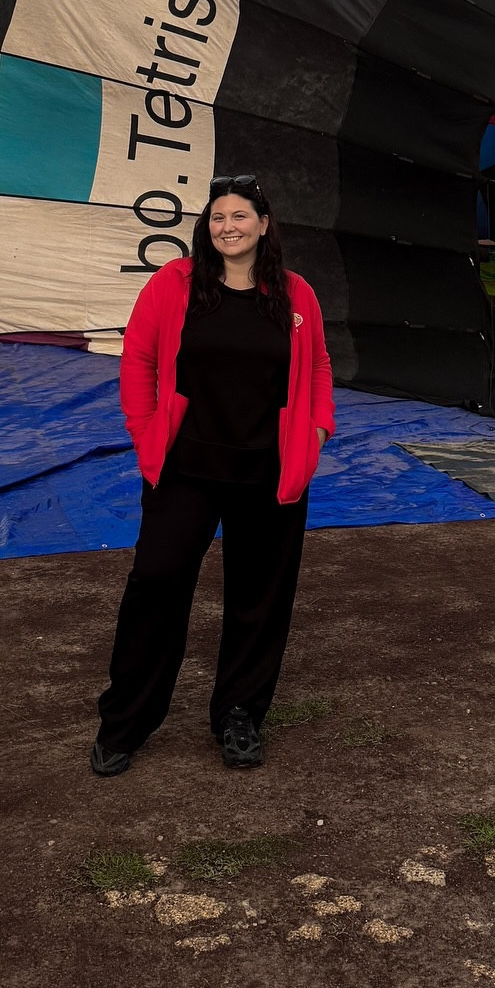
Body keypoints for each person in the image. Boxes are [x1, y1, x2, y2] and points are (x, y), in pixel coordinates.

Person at [91, 174, 334, 775]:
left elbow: (319, 366)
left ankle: (239, 715)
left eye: (240, 216)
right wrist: (144, 431)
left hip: (269, 468)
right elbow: (139, 358)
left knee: (259, 597)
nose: (228, 227)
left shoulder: (296, 295)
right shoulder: (174, 284)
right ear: (207, 227)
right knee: (157, 582)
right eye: (218, 217)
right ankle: (126, 722)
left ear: (264, 224)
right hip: (187, 466)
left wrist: (317, 432)